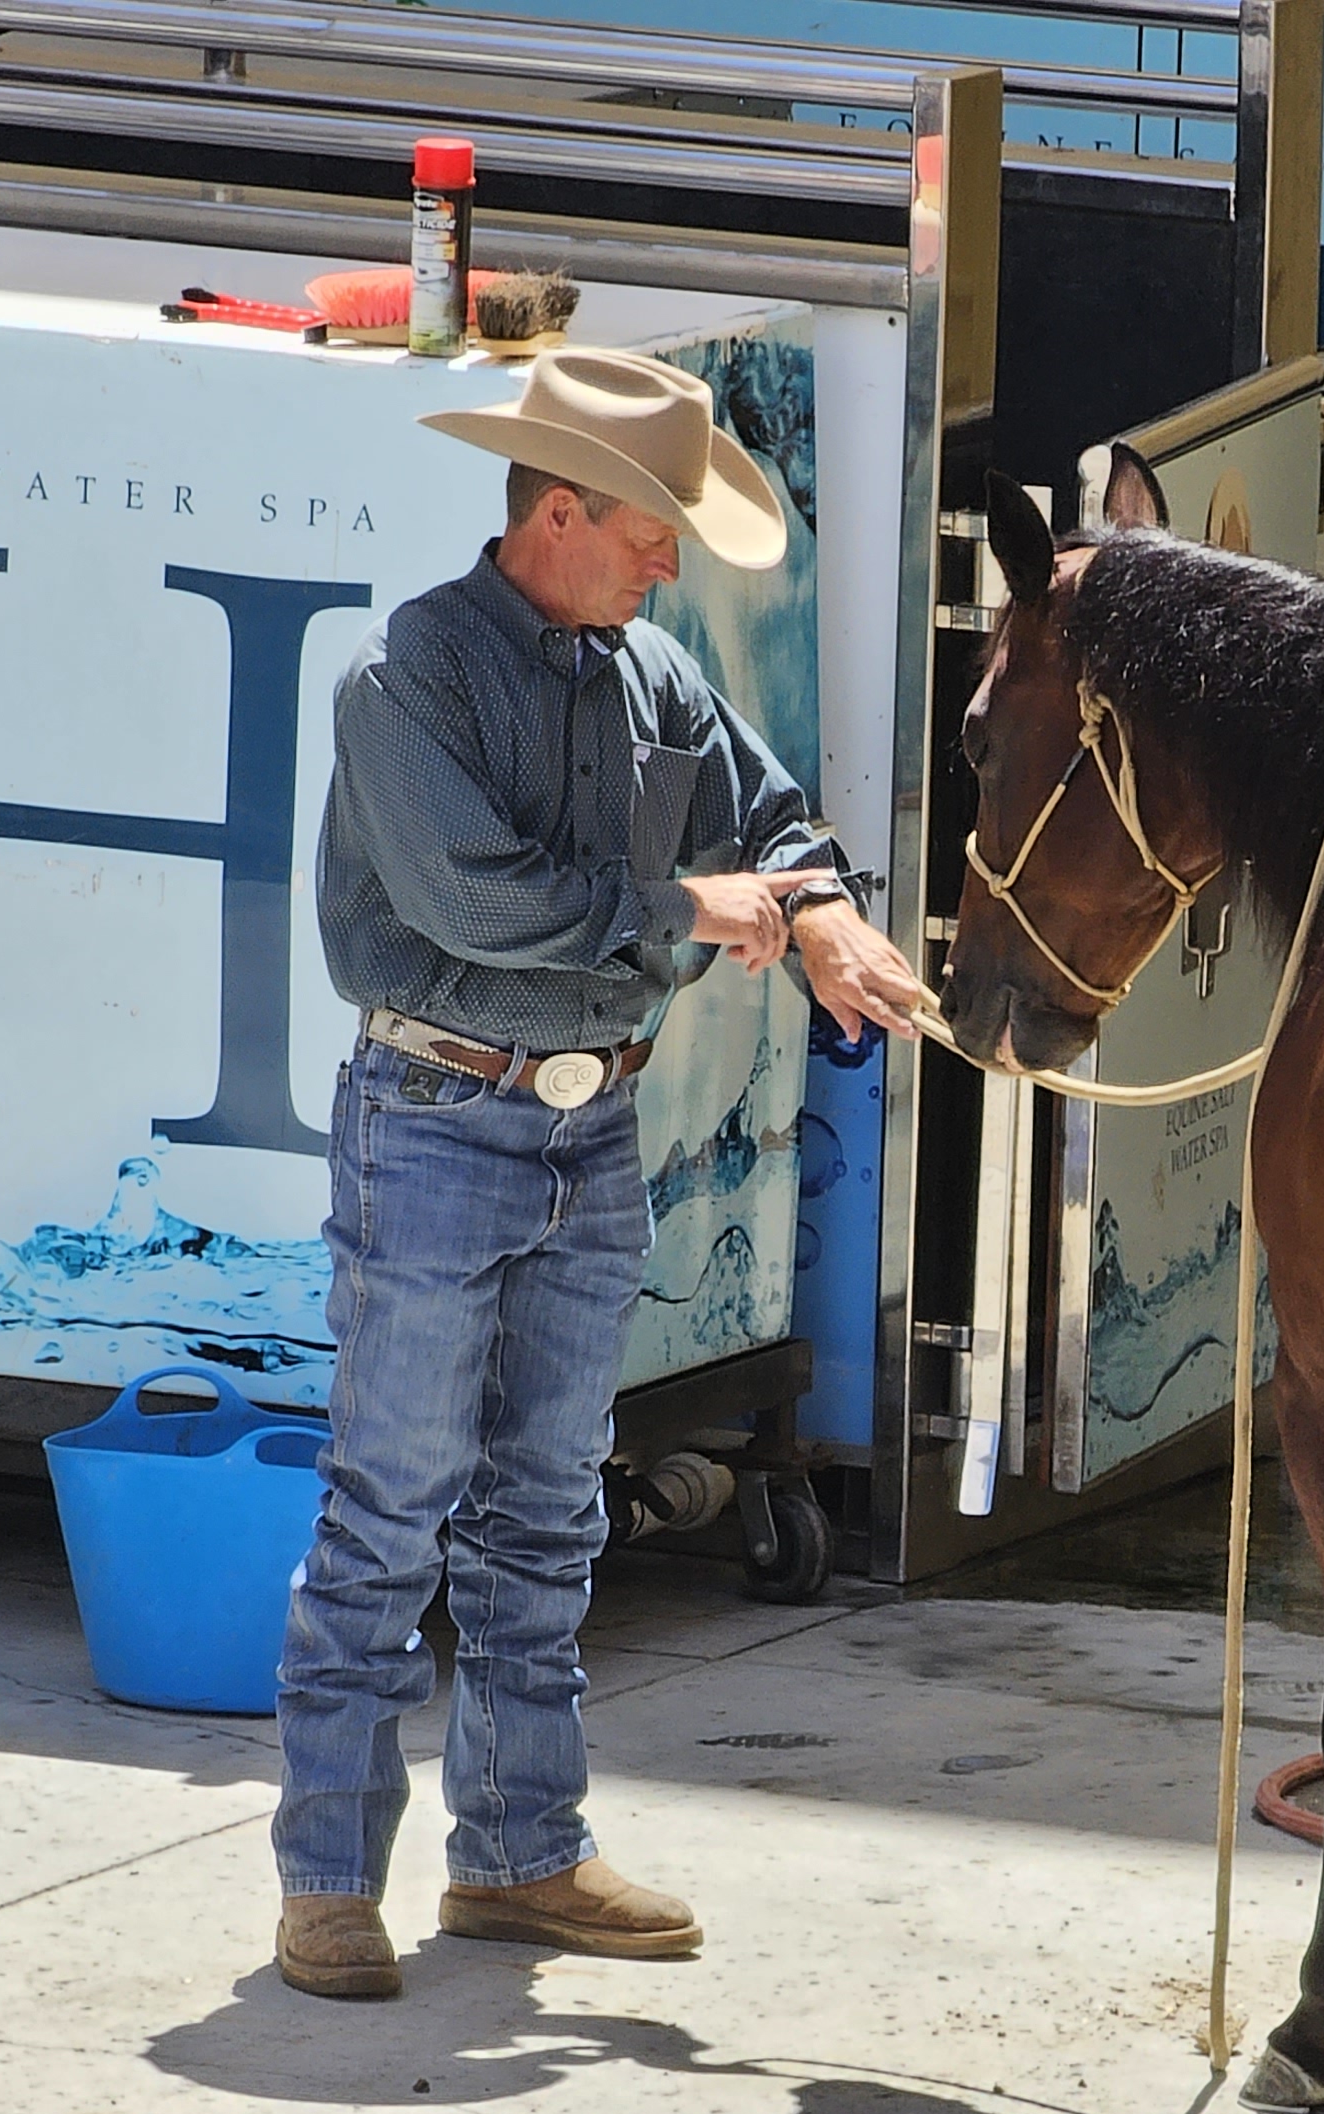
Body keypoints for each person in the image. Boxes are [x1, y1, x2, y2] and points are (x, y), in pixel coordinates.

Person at [272, 348, 930, 2003]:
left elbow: (771, 813)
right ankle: (328, 1885)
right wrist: (701, 911)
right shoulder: (403, 676)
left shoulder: (649, 679)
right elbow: (478, 911)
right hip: (437, 1122)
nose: (671, 559)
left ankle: (516, 1858)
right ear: (557, 510)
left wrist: (825, 910)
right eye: (652, 526)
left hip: (581, 1125)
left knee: (549, 1513)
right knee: (391, 1512)